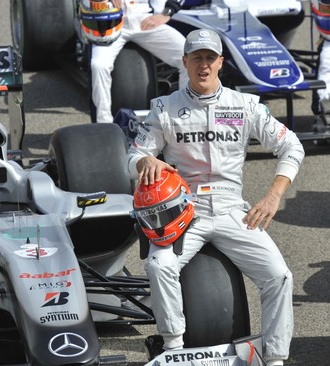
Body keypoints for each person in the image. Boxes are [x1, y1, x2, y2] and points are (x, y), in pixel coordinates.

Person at [126, 28, 304, 366]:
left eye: (210, 58)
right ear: (185, 62)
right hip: (182, 210)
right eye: (197, 58)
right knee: (158, 264)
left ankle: (276, 358)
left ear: (221, 62)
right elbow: (132, 156)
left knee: (279, 276)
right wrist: (145, 160)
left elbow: (291, 146)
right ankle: (174, 348)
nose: (203, 65)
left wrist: (273, 196)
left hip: (232, 208)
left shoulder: (246, 105)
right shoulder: (164, 108)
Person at [89, 0, 189, 123]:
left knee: (189, 58)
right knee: (99, 65)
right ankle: (104, 123)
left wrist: (166, 13)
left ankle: (185, 117)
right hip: (109, 22)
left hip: (144, 20)